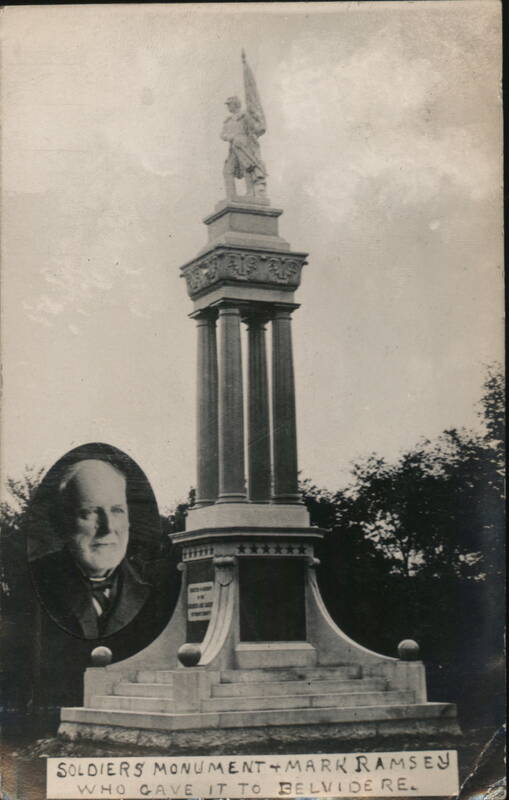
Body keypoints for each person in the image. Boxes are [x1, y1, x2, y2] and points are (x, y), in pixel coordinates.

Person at [30, 459, 155, 639]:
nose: (108, 527)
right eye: (89, 512)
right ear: (60, 524)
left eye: (117, 510)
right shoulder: (35, 582)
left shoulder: (151, 591)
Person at [221, 95, 267, 200]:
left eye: (229, 104)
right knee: (227, 171)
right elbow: (222, 134)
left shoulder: (244, 116)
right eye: (227, 105)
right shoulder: (228, 120)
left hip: (244, 145)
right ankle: (231, 196)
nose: (228, 107)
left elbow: (253, 129)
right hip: (233, 146)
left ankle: (251, 192)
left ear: (236, 104)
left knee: (248, 168)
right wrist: (230, 137)